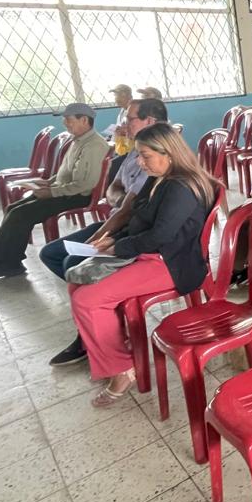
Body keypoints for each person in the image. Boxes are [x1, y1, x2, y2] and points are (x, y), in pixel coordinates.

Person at [67, 123, 219, 406]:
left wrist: (118, 247)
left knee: (87, 300)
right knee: (77, 280)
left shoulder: (181, 187)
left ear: (168, 154)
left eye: (145, 155)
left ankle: (122, 369)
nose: (139, 162)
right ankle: (113, 346)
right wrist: (113, 238)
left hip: (170, 263)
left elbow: (160, 235)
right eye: (139, 155)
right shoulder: (159, 178)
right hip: (149, 253)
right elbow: (139, 220)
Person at [40, 97, 168, 366]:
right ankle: (102, 316)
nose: (124, 124)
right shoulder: (137, 150)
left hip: (129, 227)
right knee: (51, 253)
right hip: (117, 220)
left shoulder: (158, 156)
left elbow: (129, 211)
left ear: (150, 121)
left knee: (74, 262)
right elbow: (113, 189)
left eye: (130, 118)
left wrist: (97, 240)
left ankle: (95, 328)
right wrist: (119, 199)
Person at [0, 103, 111, 280]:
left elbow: (85, 184)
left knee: (22, 213)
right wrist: (48, 183)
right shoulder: (78, 140)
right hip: (64, 190)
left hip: (78, 196)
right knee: (14, 209)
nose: (65, 123)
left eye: (69, 119)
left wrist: (51, 192)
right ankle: (5, 261)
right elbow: (66, 172)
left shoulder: (94, 146)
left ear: (84, 120)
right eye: (64, 119)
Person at [108, 84, 134, 155]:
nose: (116, 99)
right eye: (115, 95)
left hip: (130, 151)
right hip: (120, 149)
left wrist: (125, 131)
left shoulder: (134, 111)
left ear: (128, 96)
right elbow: (118, 131)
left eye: (119, 95)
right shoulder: (122, 110)